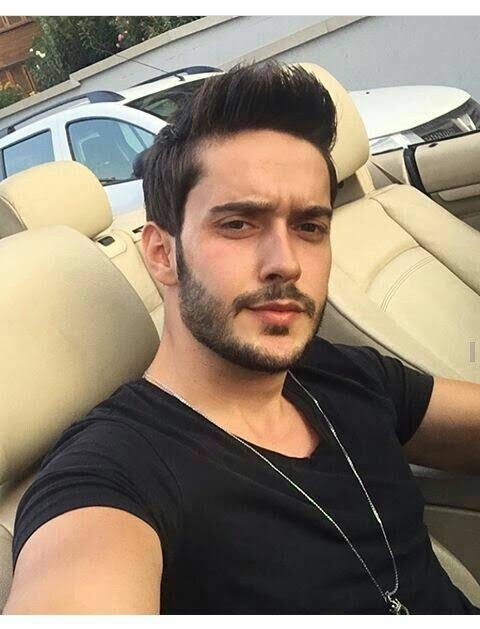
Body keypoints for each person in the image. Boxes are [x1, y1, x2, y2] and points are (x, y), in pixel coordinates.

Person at [5, 62, 480, 615]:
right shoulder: (112, 475)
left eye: (310, 227)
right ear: (162, 254)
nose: (287, 263)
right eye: (238, 224)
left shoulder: (339, 372)